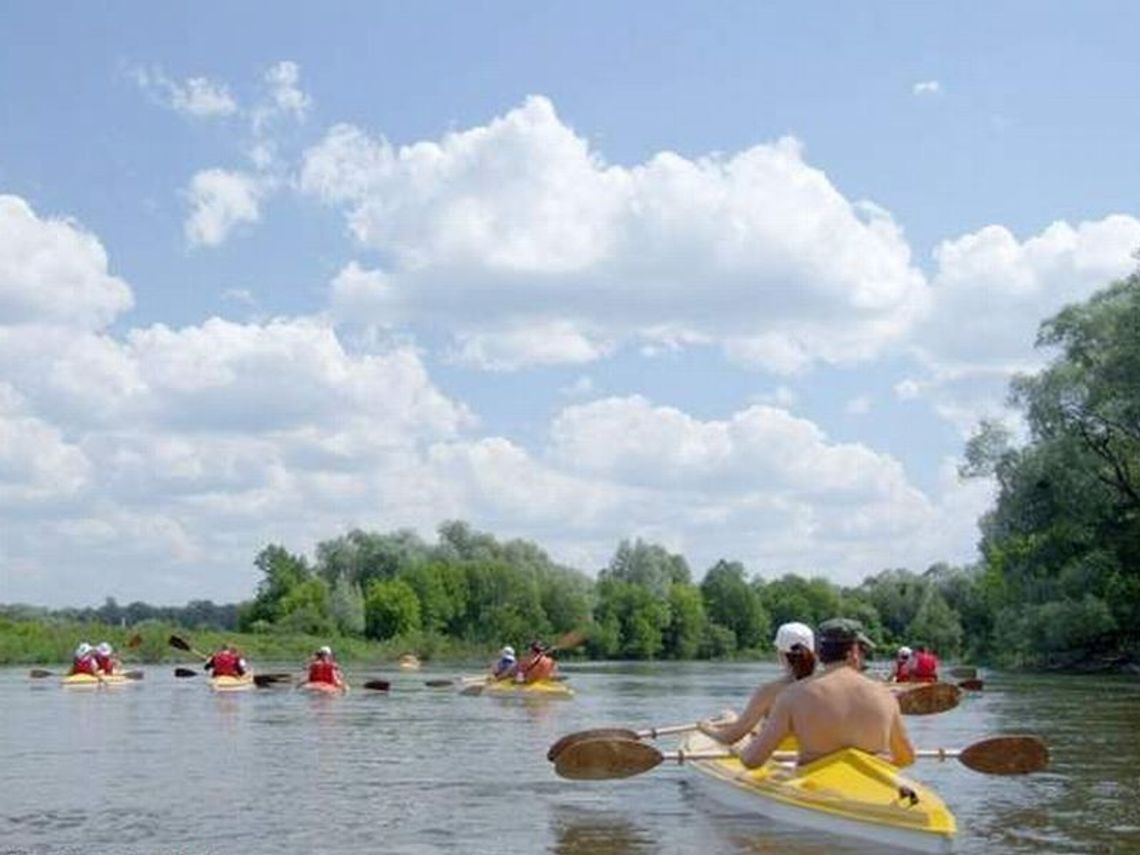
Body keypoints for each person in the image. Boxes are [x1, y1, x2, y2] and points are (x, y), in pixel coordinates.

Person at [735, 618, 915, 770]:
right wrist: (869, 762)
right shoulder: (884, 694)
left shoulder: (793, 695)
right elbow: (905, 758)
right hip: (872, 788)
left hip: (813, 785)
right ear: (853, 652)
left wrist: (740, 748)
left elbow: (753, 761)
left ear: (819, 653)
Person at [700, 621, 817, 745]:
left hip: (773, 755)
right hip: (814, 753)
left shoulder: (769, 691)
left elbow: (730, 738)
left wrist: (705, 728)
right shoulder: (827, 684)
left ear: (781, 654)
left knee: (728, 715)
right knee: (729, 716)